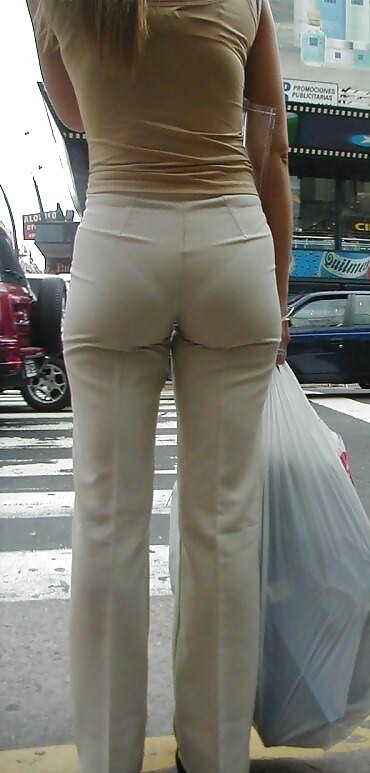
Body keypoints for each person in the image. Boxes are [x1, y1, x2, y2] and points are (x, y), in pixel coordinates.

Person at [26, 0, 291, 771]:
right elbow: (271, 152)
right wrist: (276, 297)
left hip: (118, 243)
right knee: (225, 524)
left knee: (106, 524)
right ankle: (214, 754)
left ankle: (109, 756)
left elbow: (76, 110)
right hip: (231, 242)